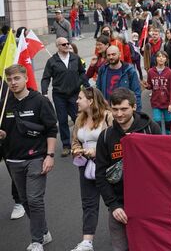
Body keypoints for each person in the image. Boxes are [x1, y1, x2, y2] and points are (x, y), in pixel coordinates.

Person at [0, 64, 57, 251]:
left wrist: (49, 155)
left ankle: (36, 241)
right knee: (25, 201)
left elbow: (51, 129)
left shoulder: (39, 101)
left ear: (25, 78)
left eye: (16, 78)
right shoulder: (5, 104)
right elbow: (5, 131)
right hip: (13, 159)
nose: (13, 83)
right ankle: (44, 231)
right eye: (9, 80)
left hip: (36, 157)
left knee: (34, 199)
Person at [95, 88, 160, 251]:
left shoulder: (151, 129)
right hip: (119, 205)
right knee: (121, 248)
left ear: (134, 107)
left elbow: (163, 166)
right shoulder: (105, 137)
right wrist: (113, 205)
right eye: (115, 109)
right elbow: (101, 175)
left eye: (124, 109)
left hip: (149, 203)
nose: (119, 114)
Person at [69, 88, 114, 251]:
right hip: (86, 166)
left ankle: (123, 235)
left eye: (80, 98)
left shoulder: (108, 117)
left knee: (113, 202)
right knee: (88, 203)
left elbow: (116, 141)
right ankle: (87, 242)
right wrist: (76, 150)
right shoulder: (79, 118)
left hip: (107, 166)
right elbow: (75, 141)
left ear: (91, 101)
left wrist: (97, 152)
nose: (76, 101)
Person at [41, 37, 89, 157]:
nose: (67, 45)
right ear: (57, 46)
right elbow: (46, 78)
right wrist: (44, 92)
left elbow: (82, 72)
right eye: (63, 44)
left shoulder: (75, 58)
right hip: (59, 95)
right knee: (62, 120)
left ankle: (80, 141)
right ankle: (66, 145)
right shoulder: (52, 61)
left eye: (68, 43)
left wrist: (86, 86)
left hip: (74, 94)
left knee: (77, 118)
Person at [96, 46, 142, 111]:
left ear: (119, 54)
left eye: (113, 54)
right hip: (107, 110)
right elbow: (98, 90)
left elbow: (136, 92)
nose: (111, 57)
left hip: (124, 111)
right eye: (108, 55)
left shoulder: (129, 71)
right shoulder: (103, 70)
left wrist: (137, 112)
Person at [145, 50, 171, 134]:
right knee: (157, 123)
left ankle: (169, 141)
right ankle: (159, 140)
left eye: (163, 56)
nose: (161, 58)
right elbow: (150, 86)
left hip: (167, 102)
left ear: (166, 59)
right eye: (159, 56)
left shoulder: (169, 72)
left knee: (168, 124)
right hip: (156, 102)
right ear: (156, 59)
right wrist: (147, 86)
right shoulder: (151, 71)